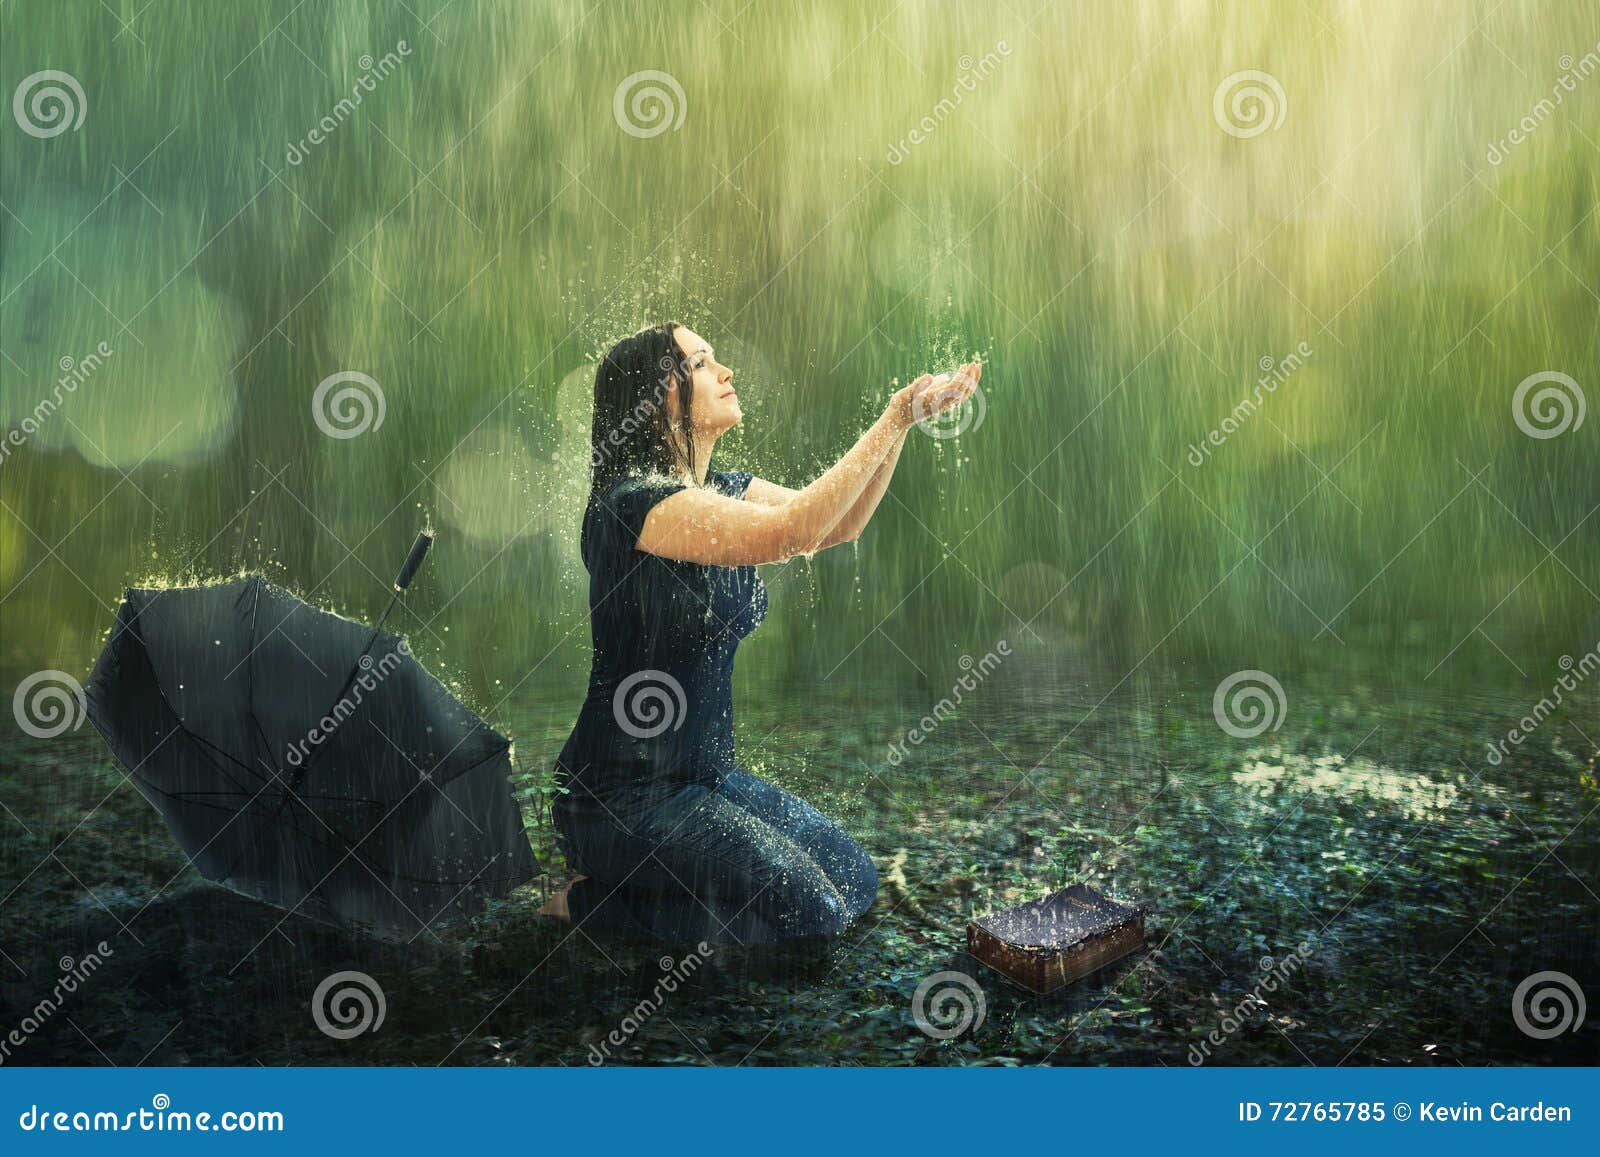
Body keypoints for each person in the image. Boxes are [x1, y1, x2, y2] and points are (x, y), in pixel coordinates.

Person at [539, 320, 981, 944]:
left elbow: (838, 524)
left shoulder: (719, 490)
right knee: (812, 917)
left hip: (706, 778)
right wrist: (889, 417)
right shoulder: (635, 503)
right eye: (702, 363)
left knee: (853, 880)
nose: (725, 373)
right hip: (623, 799)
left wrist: (902, 419)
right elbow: (793, 532)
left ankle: (648, 889)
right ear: (663, 391)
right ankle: (586, 907)